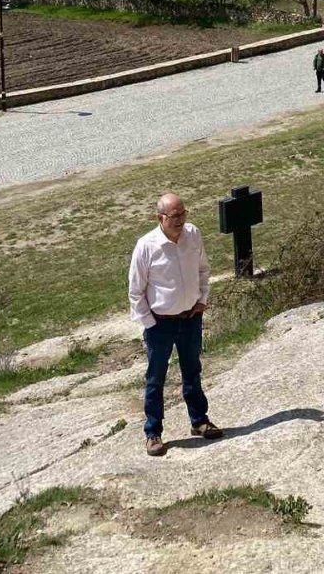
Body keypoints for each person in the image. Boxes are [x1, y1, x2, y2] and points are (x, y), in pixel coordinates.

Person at [128, 192, 223, 457]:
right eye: (174, 216)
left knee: (192, 370)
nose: (181, 220)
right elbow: (136, 291)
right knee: (156, 379)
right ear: (160, 218)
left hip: (191, 318)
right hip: (160, 324)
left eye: (183, 213)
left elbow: (203, 270)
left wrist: (202, 300)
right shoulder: (146, 246)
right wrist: (150, 323)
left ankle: (199, 421)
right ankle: (153, 432)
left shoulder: (193, 235)